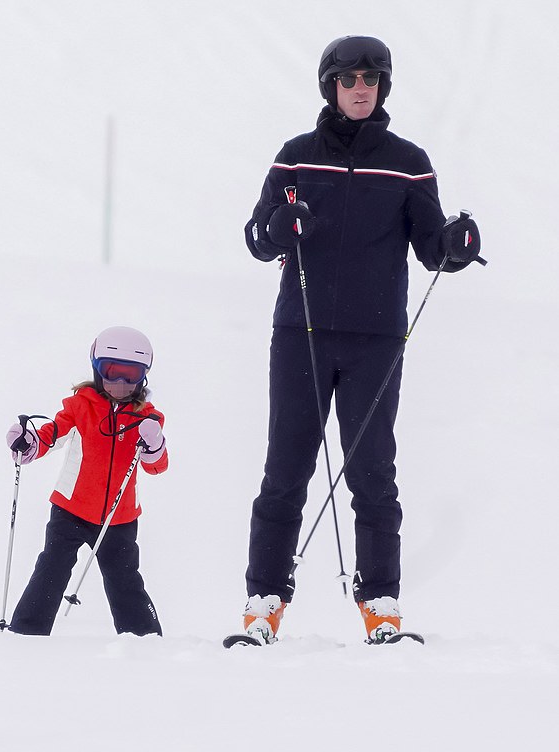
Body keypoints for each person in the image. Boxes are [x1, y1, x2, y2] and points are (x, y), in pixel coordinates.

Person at [241, 35, 483, 644]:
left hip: (376, 339)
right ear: (330, 86)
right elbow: (257, 238)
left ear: (382, 88)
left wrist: (454, 244)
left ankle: (381, 605)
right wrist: (278, 225)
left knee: (373, 473)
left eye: (370, 81)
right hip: (302, 334)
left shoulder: (408, 161)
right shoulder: (296, 157)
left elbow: (433, 249)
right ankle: (263, 602)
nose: (360, 90)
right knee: (285, 468)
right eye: (349, 80)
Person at [5, 326, 168, 636]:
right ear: (97, 369)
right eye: (112, 371)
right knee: (51, 568)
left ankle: (144, 638)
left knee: (123, 578)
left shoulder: (147, 417)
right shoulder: (80, 406)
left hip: (118, 517)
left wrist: (155, 443)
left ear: (143, 375)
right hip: (71, 509)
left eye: (131, 374)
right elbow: (53, 434)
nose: (121, 383)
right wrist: (29, 443)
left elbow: (157, 466)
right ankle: (26, 632)